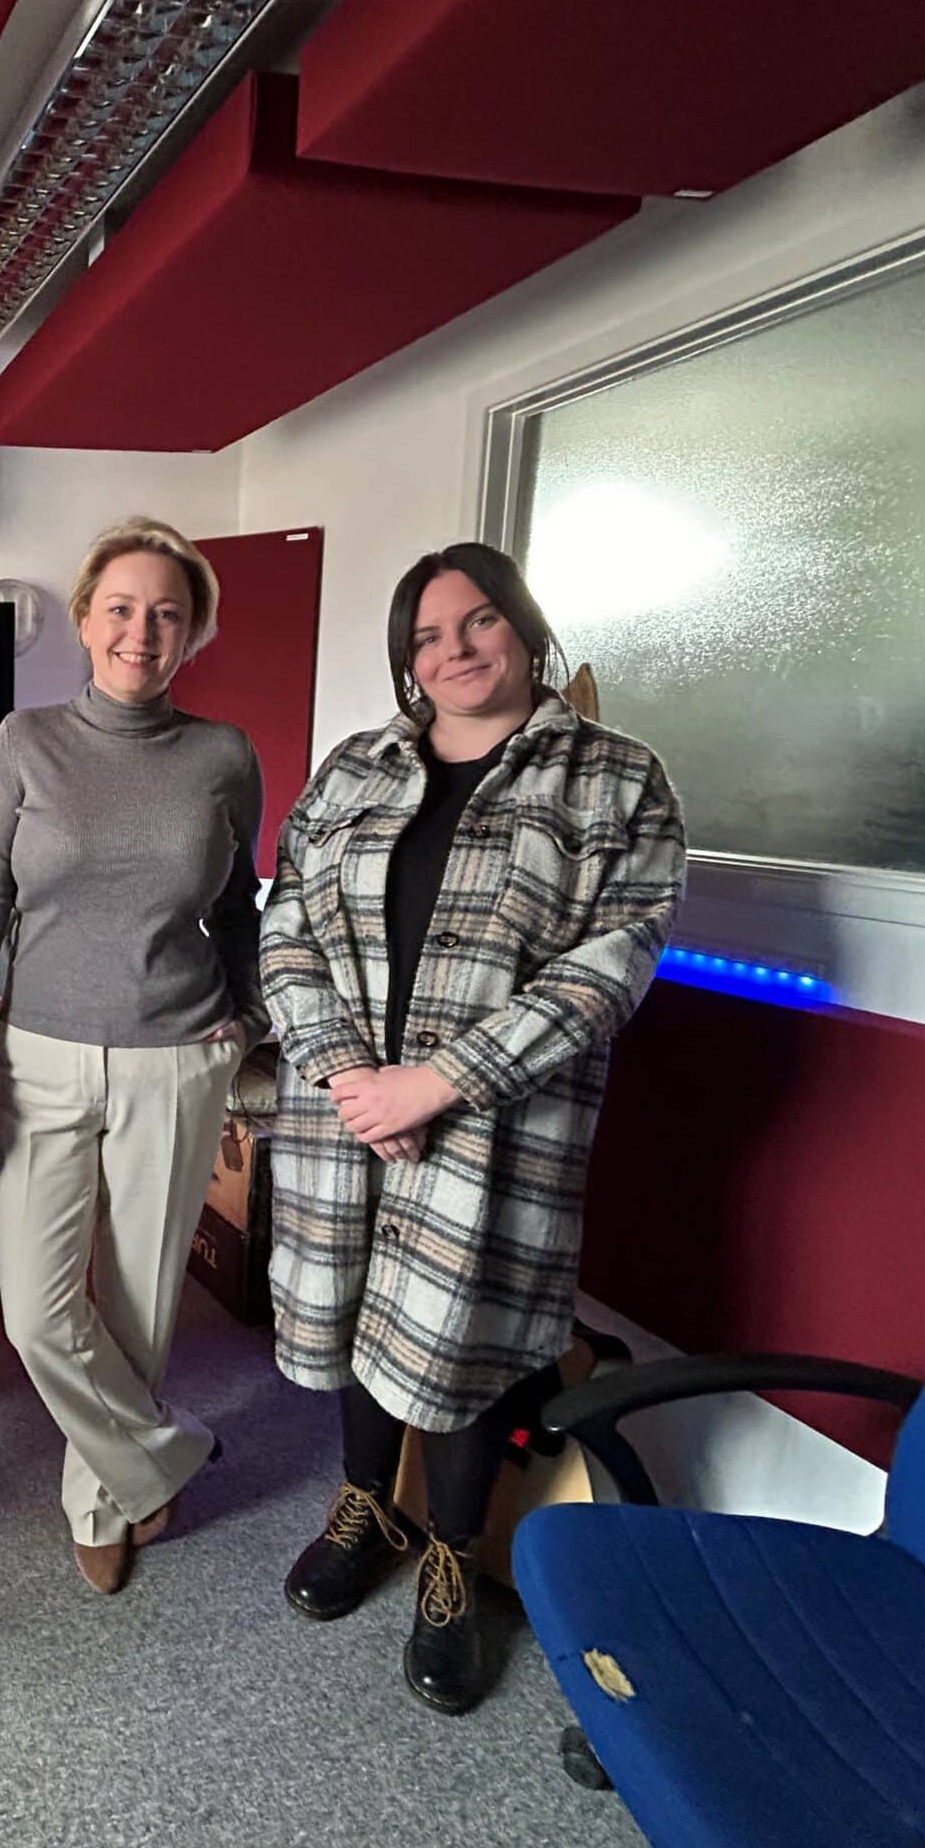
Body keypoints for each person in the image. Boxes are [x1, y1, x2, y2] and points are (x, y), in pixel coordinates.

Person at [260, 542, 685, 1716]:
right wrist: (349, 1072)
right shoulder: (353, 768)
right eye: (426, 637)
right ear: (404, 659)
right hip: (341, 1111)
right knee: (353, 1320)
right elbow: (283, 922)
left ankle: (450, 1550)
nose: (452, 652)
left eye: (477, 623)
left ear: (523, 626)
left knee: (467, 1341)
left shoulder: (613, 778)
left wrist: (437, 1082)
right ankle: (364, 1503)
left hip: (498, 1124)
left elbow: (614, 965)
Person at [0, 518, 265, 1595]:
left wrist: (249, 1012)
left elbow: (237, 910)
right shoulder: (25, 742)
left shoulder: (222, 755)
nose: (143, 630)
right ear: (87, 618)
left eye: (168, 613)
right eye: (123, 607)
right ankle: (163, 1458)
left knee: (139, 1302)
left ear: (192, 634)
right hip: (41, 1055)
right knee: (41, 1310)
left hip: (175, 1058)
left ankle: (101, 1494)